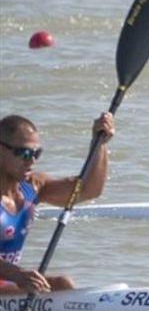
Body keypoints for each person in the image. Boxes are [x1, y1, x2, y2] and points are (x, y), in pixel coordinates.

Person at [0, 113, 115, 294]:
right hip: (9, 280)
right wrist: (18, 275)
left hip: (6, 283)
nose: (31, 161)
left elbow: (87, 190)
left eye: (36, 153)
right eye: (23, 153)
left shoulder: (33, 187)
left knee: (63, 284)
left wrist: (99, 143)